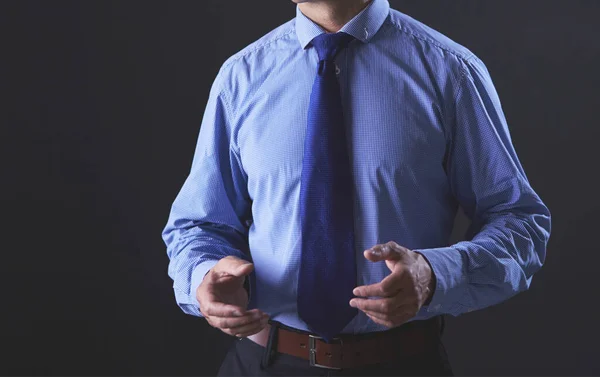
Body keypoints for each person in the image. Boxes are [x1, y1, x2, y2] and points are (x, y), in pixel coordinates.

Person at [162, 0, 551, 375]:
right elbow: (198, 225)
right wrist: (204, 277)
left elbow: (520, 223)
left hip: (403, 365)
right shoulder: (241, 77)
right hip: (263, 362)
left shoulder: (451, 72)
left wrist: (434, 275)